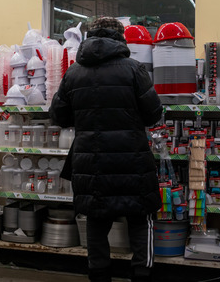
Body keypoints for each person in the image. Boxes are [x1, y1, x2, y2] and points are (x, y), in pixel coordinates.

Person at [50, 17, 163, 282]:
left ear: (90, 37)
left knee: (97, 221)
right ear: (121, 37)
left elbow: (59, 116)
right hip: (132, 160)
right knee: (140, 218)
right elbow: (152, 114)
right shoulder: (134, 69)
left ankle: (99, 276)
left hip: (91, 161)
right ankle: (141, 275)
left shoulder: (74, 72)